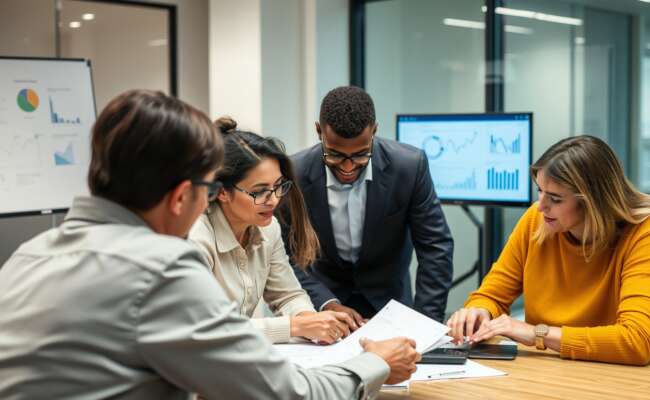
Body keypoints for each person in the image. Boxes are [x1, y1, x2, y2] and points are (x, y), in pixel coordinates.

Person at [0, 89, 421, 399]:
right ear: (185, 195)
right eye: (207, 188)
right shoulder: (159, 267)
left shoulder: (28, 256)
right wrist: (377, 362)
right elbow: (285, 394)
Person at [447, 135, 650, 366]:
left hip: (634, 379)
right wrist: (479, 312)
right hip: (556, 370)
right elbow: (491, 295)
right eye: (539, 190)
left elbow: (637, 340)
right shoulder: (537, 221)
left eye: (556, 199)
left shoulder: (646, 231)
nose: (541, 206)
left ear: (593, 201)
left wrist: (537, 334)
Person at [287, 86, 454, 324]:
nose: (347, 167)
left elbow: (436, 247)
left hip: (391, 304)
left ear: (374, 131)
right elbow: (284, 256)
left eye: (360, 155)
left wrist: (425, 324)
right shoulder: (295, 173)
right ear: (318, 131)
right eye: (334, 155)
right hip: (323, 308)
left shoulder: (408, 167)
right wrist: (325, 302)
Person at [189, 117, 355, 344]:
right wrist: (295, 326)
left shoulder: (268, 229)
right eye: (260, 191)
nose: (274, 200)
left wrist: (310, 320)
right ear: (222, 192)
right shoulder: (195, 238)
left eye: (278, 186)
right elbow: (205, 326)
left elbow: (288, 295)